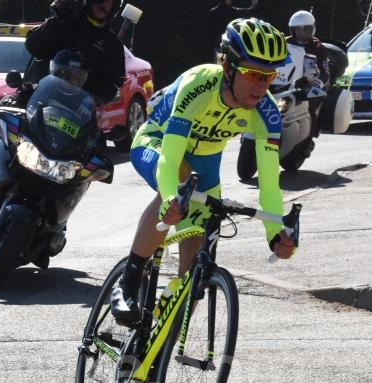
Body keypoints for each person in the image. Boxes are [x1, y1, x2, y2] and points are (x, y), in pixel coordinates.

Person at [111, 18, 296, 323]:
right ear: (228, 67)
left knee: (197, 269)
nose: (262, 86)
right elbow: (170, 159)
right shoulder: (199, 85)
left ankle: (163, 337)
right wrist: (169, 198)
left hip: (205, 165)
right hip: (157, 142)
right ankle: (128, 280)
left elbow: (269, 184)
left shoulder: (268, 113)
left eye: (270, 76)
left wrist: (275, 233)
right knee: (181, 182)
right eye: (253, 74)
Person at [25, 0, 125, 105]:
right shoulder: (63, 21)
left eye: (109, 2)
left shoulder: (113, 44)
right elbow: (33, 47)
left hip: (76, 110)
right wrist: (57, 18)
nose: (103, 5)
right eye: (100, 0)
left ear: (114, 8)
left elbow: (112, 84)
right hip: (39, 101)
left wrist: (92, 100)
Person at [286, 10, 330, 140]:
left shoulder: (319, 48)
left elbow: (325, 73)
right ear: (292, 30)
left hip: (308, 84)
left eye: (306, 29)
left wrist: (316, 84)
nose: (302, 33)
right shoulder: (283, 43)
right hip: (287, 82)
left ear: (312, 29)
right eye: (298, 30)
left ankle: (308, 139)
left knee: (309, 108)